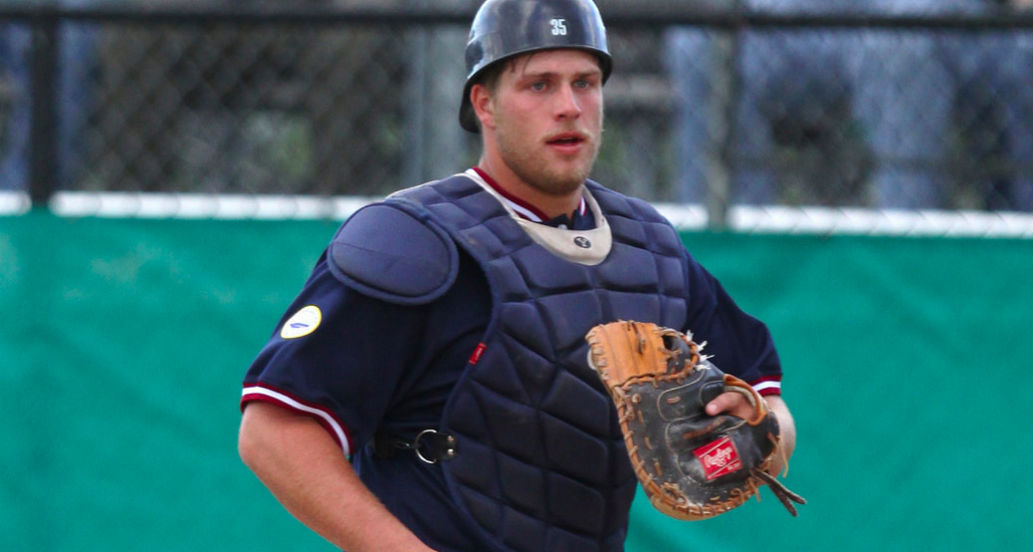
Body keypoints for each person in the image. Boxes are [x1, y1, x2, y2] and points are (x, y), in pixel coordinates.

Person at [237, 1, 796, 551]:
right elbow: (276, 431)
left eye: (585, 82)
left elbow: (771, 414)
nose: (569, 106)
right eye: (539, 85)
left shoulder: (649, 247)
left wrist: (753, 431)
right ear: (485, 103)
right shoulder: (413, 241)